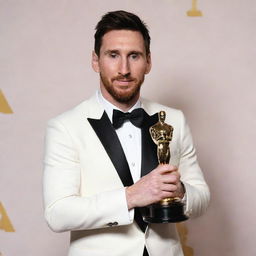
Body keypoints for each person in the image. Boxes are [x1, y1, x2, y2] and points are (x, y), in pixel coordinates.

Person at [43, 10, 210, 256]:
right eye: (113, 55)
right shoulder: (65, 127)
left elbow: (202, 198)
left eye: (134, 56)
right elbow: (57, 213)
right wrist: (131, 196)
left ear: (148, 62)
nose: (124, 69)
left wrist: (180, 191)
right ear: (95, 61)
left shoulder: (174, 119)